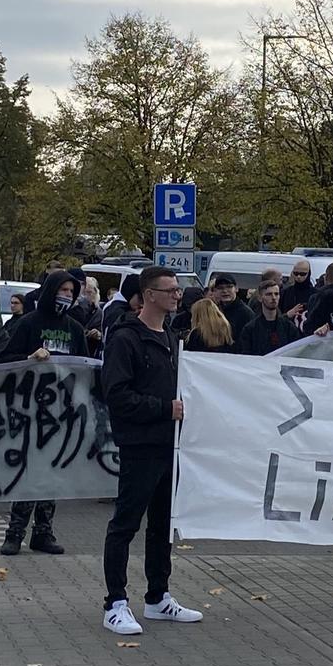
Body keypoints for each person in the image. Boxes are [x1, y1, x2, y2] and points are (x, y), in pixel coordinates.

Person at [100, 265, 203, 635]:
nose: (178, 295)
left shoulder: (172, 338)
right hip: (140, 445)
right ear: (149, 295)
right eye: (171, 289)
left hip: (169, 446)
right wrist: (164, 409)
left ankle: (158, 596)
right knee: (125, 525)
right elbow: (117, 395)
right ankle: (115, 603)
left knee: (162, 525)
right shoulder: (126, 339)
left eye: (178, 289)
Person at [0, 270, 89, 554]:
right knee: (30, 471)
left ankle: (43, 531)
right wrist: (29, 358)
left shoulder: (74, 328)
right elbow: (4, 360)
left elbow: (85, 366)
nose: (67, 296)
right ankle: (15, 532)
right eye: (62, 290)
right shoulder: (28, 324)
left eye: (71, 292)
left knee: (53, 472)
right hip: (30, 409)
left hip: (62, 411)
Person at [238, 279, 302, 356]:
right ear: (260, 298)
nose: (274, 297)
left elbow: (297, 352)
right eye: (269, 294)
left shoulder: (289, 327)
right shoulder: (250, 329)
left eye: (276, 294)